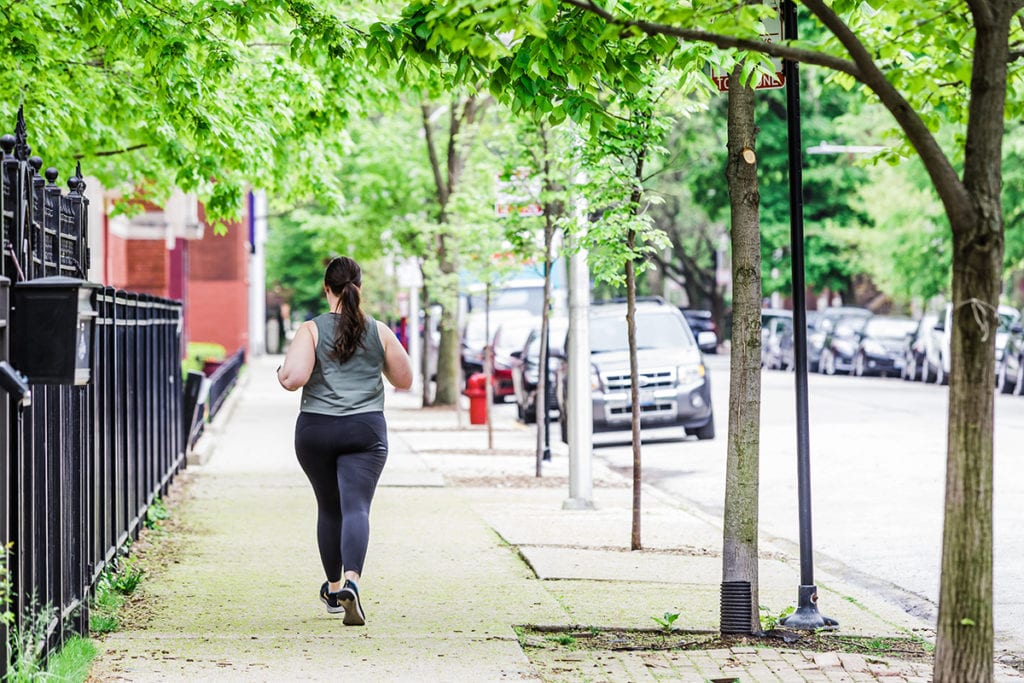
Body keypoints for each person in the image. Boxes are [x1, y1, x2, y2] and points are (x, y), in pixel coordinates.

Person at [276, 256, 413, 625]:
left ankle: (334, 591)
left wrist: (280, 372)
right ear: (359, 288)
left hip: (317, 430)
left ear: (327, 289)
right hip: (364, 431)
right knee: (356, 507)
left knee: (329, 507)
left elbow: (294, 378)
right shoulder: (379, 330)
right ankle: (352, 580)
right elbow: (404, 379)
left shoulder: (311, 329)